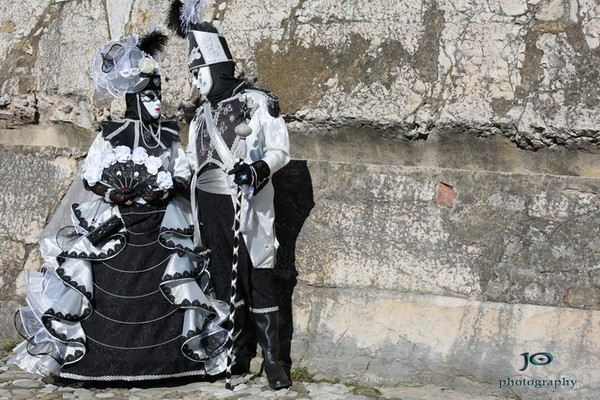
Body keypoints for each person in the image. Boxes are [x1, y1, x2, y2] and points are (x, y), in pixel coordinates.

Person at [11, 30, 230, 381]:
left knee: (171, 287)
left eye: (159, 95)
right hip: (118, 227)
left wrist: (166, 187)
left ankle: (169, 364)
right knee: (104, 289)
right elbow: (92, 176)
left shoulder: (170, 136)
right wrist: (114, 194)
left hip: (161, 229)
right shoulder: (111, 135)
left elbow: (183, 173)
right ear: (134, 99)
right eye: (149, 96)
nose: (157, 102)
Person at [167, 0, 292, 390]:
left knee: (259, 276)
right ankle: (235, 352)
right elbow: (191, 162)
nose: (194, 82)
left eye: (197, 72)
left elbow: (280, 150)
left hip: (248, 203)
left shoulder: (257, 103)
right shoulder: (198, 118)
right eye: (191, 74)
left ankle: (273, 359)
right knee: (222, 276)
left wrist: (257, 169)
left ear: (216, 68)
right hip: (210, 207)